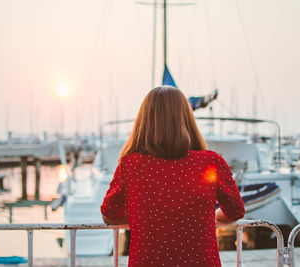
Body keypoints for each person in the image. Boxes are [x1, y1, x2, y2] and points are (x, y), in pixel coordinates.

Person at [100, 86, 245, 267]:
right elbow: (235, 211)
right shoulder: (211, 162)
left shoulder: (130, 165)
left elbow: (110, 214)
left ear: (144, 121)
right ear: (186, 119)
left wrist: (146, 220)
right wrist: (209, 217)